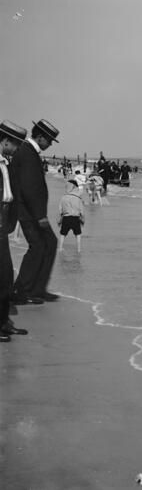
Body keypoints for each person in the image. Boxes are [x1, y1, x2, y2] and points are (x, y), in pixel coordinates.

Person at [9, 119, 60, 305]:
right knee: (39, 246)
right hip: (30, 212)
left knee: (45, 244)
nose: (49, 145)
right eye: (49, 141)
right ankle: (24, 291)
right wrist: (40, 216)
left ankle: (36, 289)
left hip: (29, 210)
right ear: (40, 137)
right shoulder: (28, 153)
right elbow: (30, 188)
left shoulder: (27, 151)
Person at [0, 121, 29, 342]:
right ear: (6, 141)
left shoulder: (5, 162)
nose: (17, 149)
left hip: (3, 224)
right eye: (16, 145)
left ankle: (3, 322)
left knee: (6, 275)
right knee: (2, 275)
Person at [58, 180, 84, 253]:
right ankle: (79, 249)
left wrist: (59, 221)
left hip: (66, 218)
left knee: (63, 234)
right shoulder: (78, 198)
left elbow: (60, 210)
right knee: (78, 234)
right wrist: (83, 220)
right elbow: (82, 211)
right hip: (76, 218)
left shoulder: (63, 197)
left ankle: (60, 248)